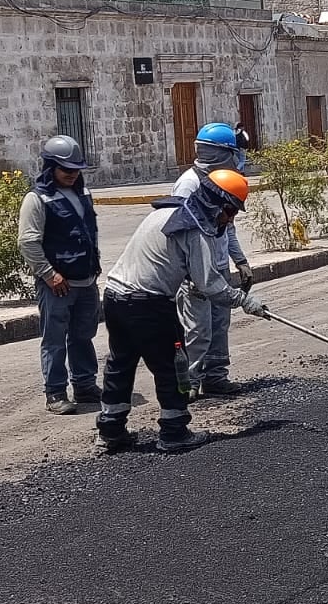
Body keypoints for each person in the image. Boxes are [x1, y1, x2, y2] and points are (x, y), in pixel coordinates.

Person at [95, 169, 267, 453]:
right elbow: (211, 285)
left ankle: (111, 429)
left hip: (115, 298)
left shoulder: (168, 212)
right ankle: (174, 432)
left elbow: (170, 262)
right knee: (172, 366)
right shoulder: (193, 229)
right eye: (230, 212)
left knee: (120, 364)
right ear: (217, 204)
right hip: (148, 303)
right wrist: (245, 301)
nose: (230, 220)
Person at [17, 135, 101, 415]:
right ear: (50, 167)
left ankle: (85, 385)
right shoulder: (37, 199)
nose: (72, 174)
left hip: (86, 280)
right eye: (67, 170)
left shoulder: (83, 194)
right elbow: (28, 242)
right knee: (54, 339)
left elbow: (90, 234)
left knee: (83, 335)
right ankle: (55, 393)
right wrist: (49, 274)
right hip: (57, 285)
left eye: (76, 169)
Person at [173, 122, 254, 398]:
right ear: (221, 153)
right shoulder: (190, 183)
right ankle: (190, 383)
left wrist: (240, 260)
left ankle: (216, 376)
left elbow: (227, 227)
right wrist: (189, 272)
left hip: (219, 267)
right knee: (198, 330)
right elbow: (178, 230)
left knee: (220, 326)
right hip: (194, 271)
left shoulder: (222, 182)